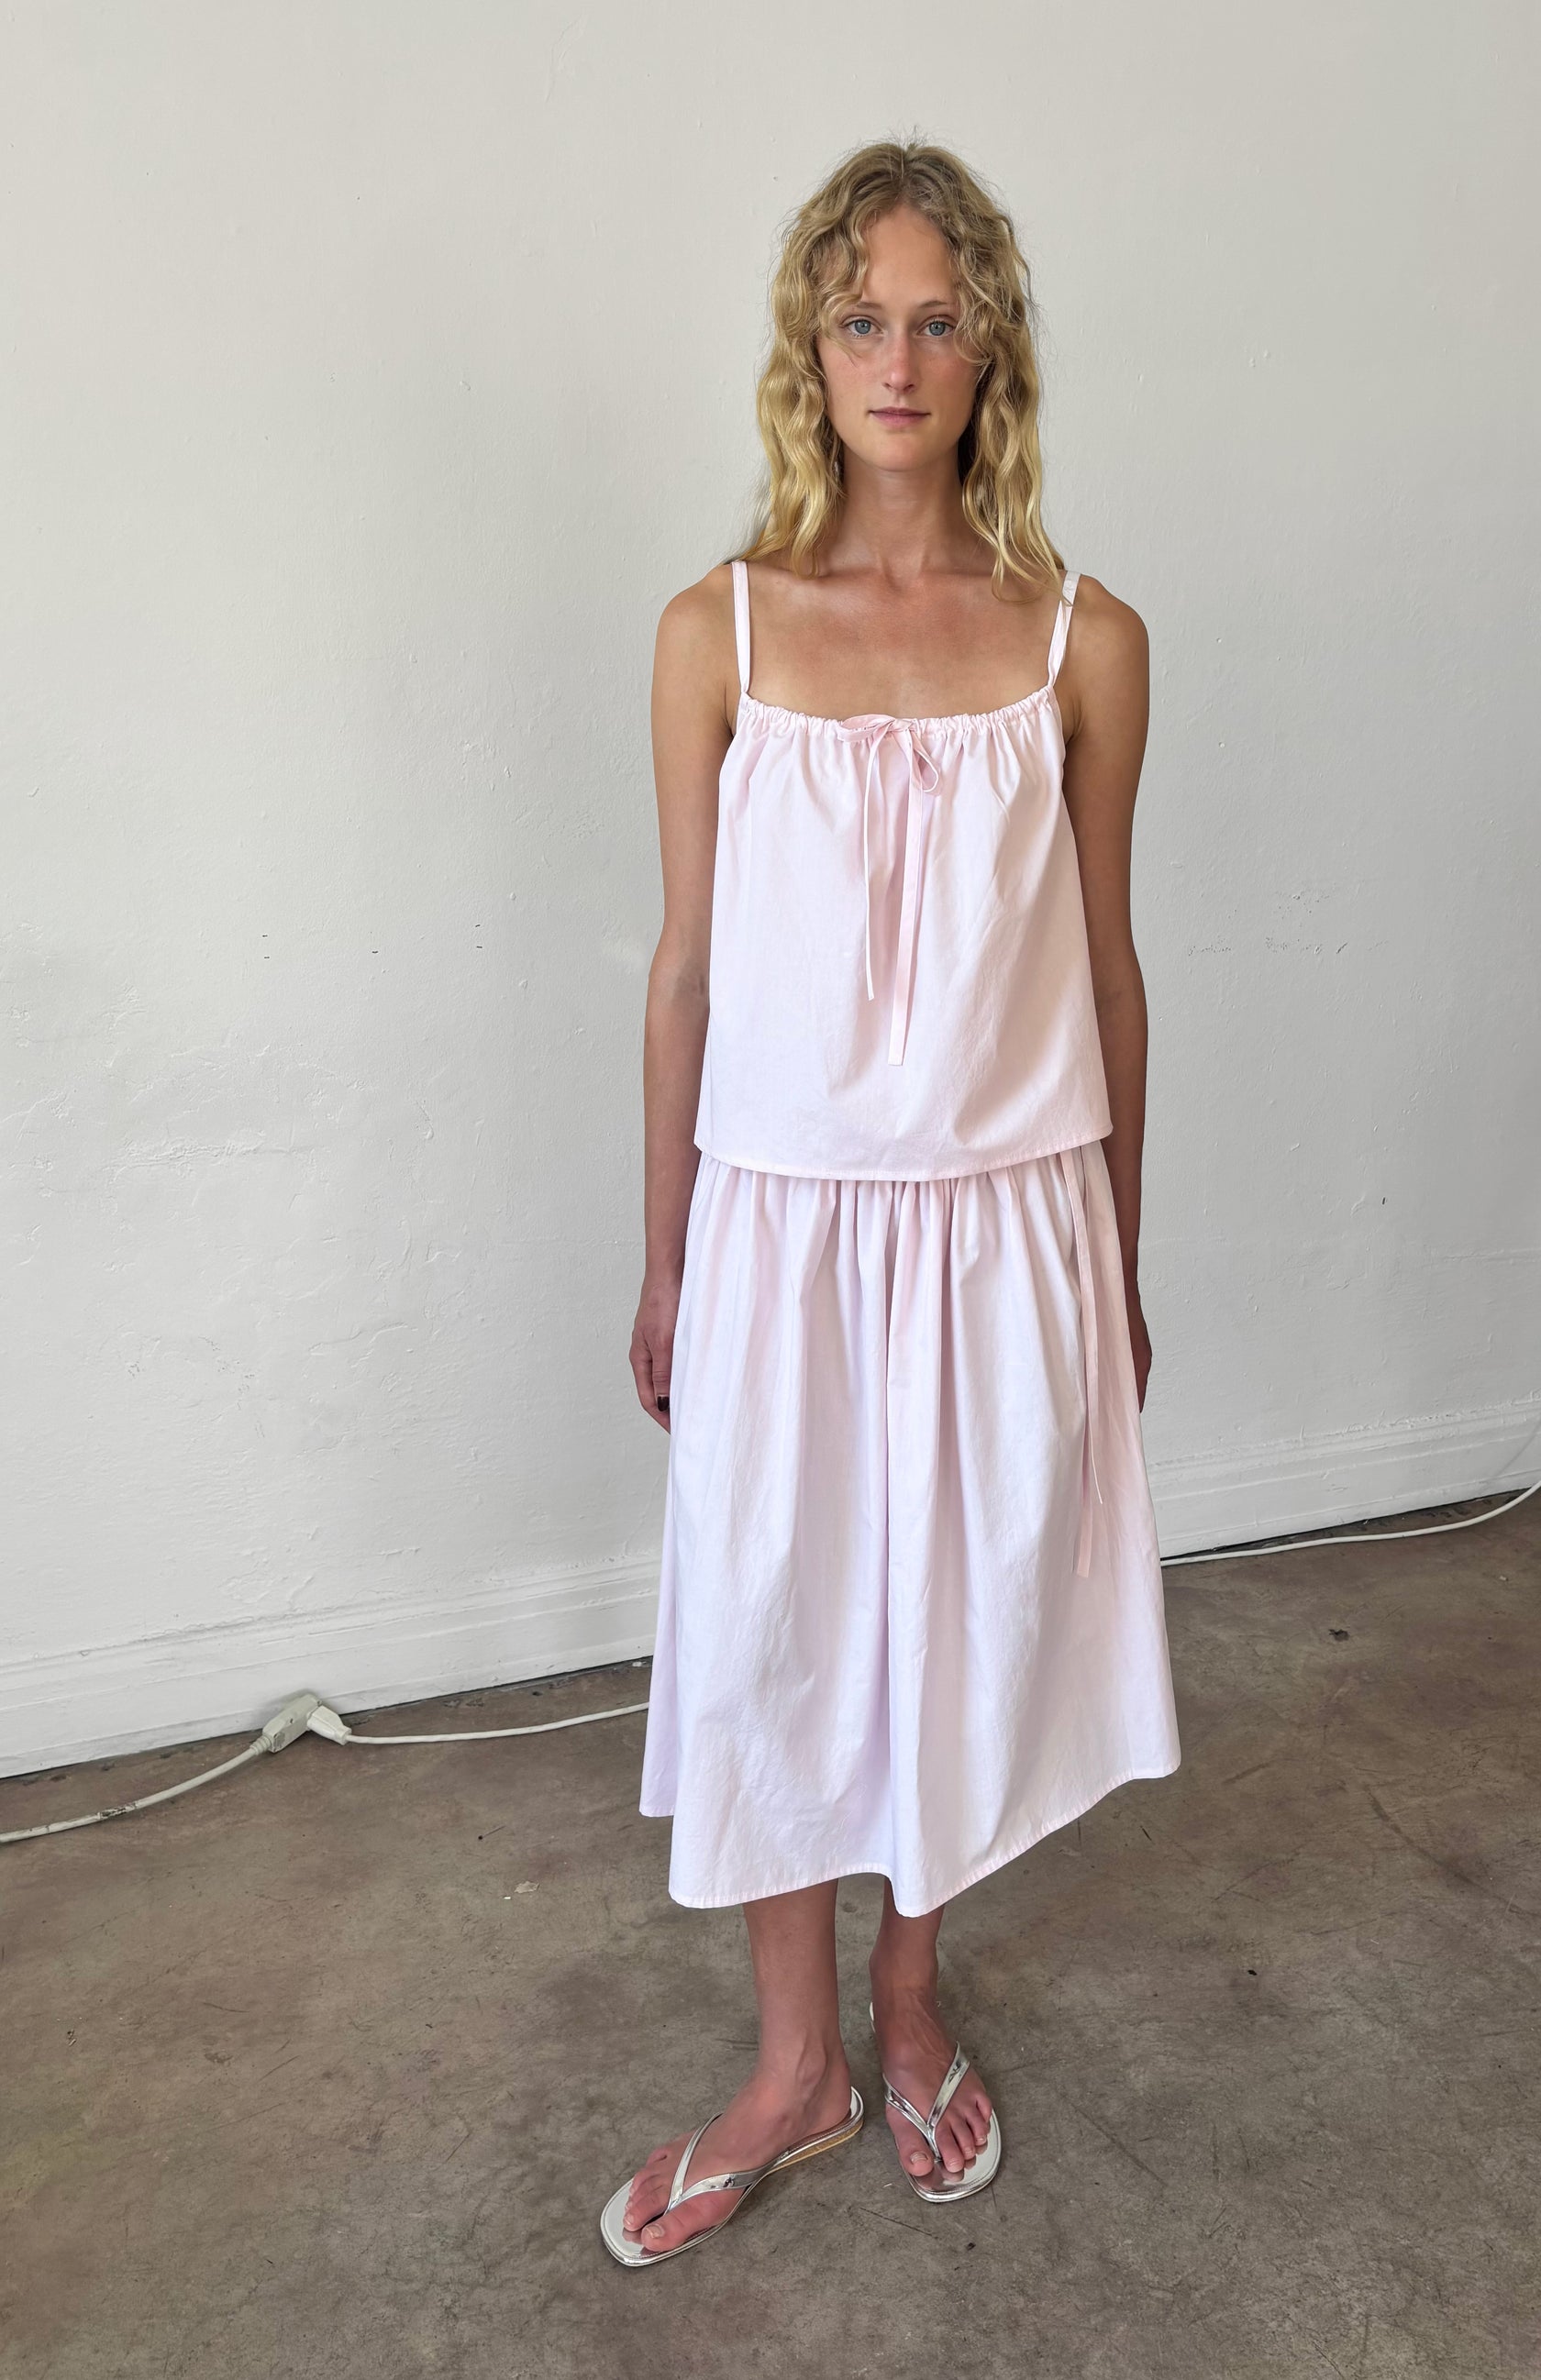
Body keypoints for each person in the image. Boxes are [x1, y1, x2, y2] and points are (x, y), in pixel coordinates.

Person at [605, 138, 1181, 2267]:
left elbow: (1107, 975)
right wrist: (664, 1254)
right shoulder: (717, 631)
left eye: (939, 318)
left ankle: (910, 2007)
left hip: (1007, 1220)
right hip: (779, 1225)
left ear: (990, 344)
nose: (900, 358)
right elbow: (684, 973)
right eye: (862, 317)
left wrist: (1120, 1259)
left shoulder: (1086, 642)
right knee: (771, 1624)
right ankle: (796, 2066)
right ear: (811, 346)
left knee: (963, 1621)